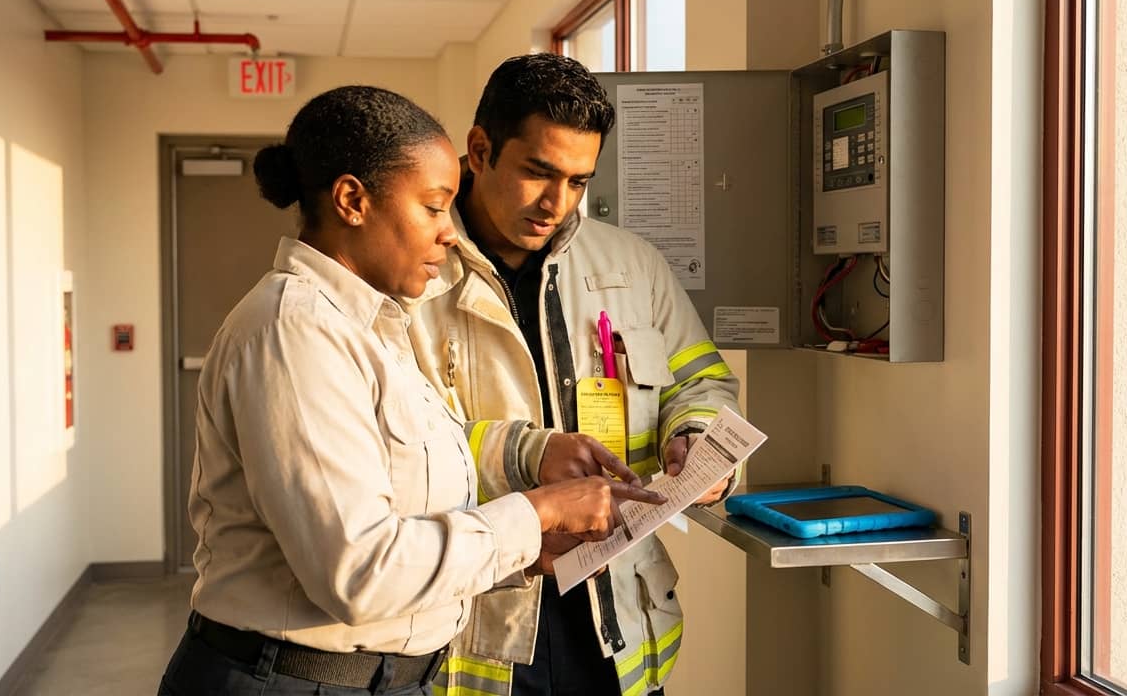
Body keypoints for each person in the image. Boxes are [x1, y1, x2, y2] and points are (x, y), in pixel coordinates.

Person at [157, 85, 664, 696]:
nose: (450, 234)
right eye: (433, 207)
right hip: (295, 680)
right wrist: (537, 513)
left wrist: (527, 539)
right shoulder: (294, 332)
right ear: (352, 201)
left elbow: (411, 499)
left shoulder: (370, 326)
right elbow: (360, 572)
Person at [408, 55, 744, 696]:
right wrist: (527, 457)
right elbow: (394, 447)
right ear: (479, 151)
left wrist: (695, 435)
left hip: (616, 625)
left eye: (577, 181)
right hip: (477, 626)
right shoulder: (415, 272)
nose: (555, 203)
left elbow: (700, 382)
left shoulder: (632, 265)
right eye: (537, 172)